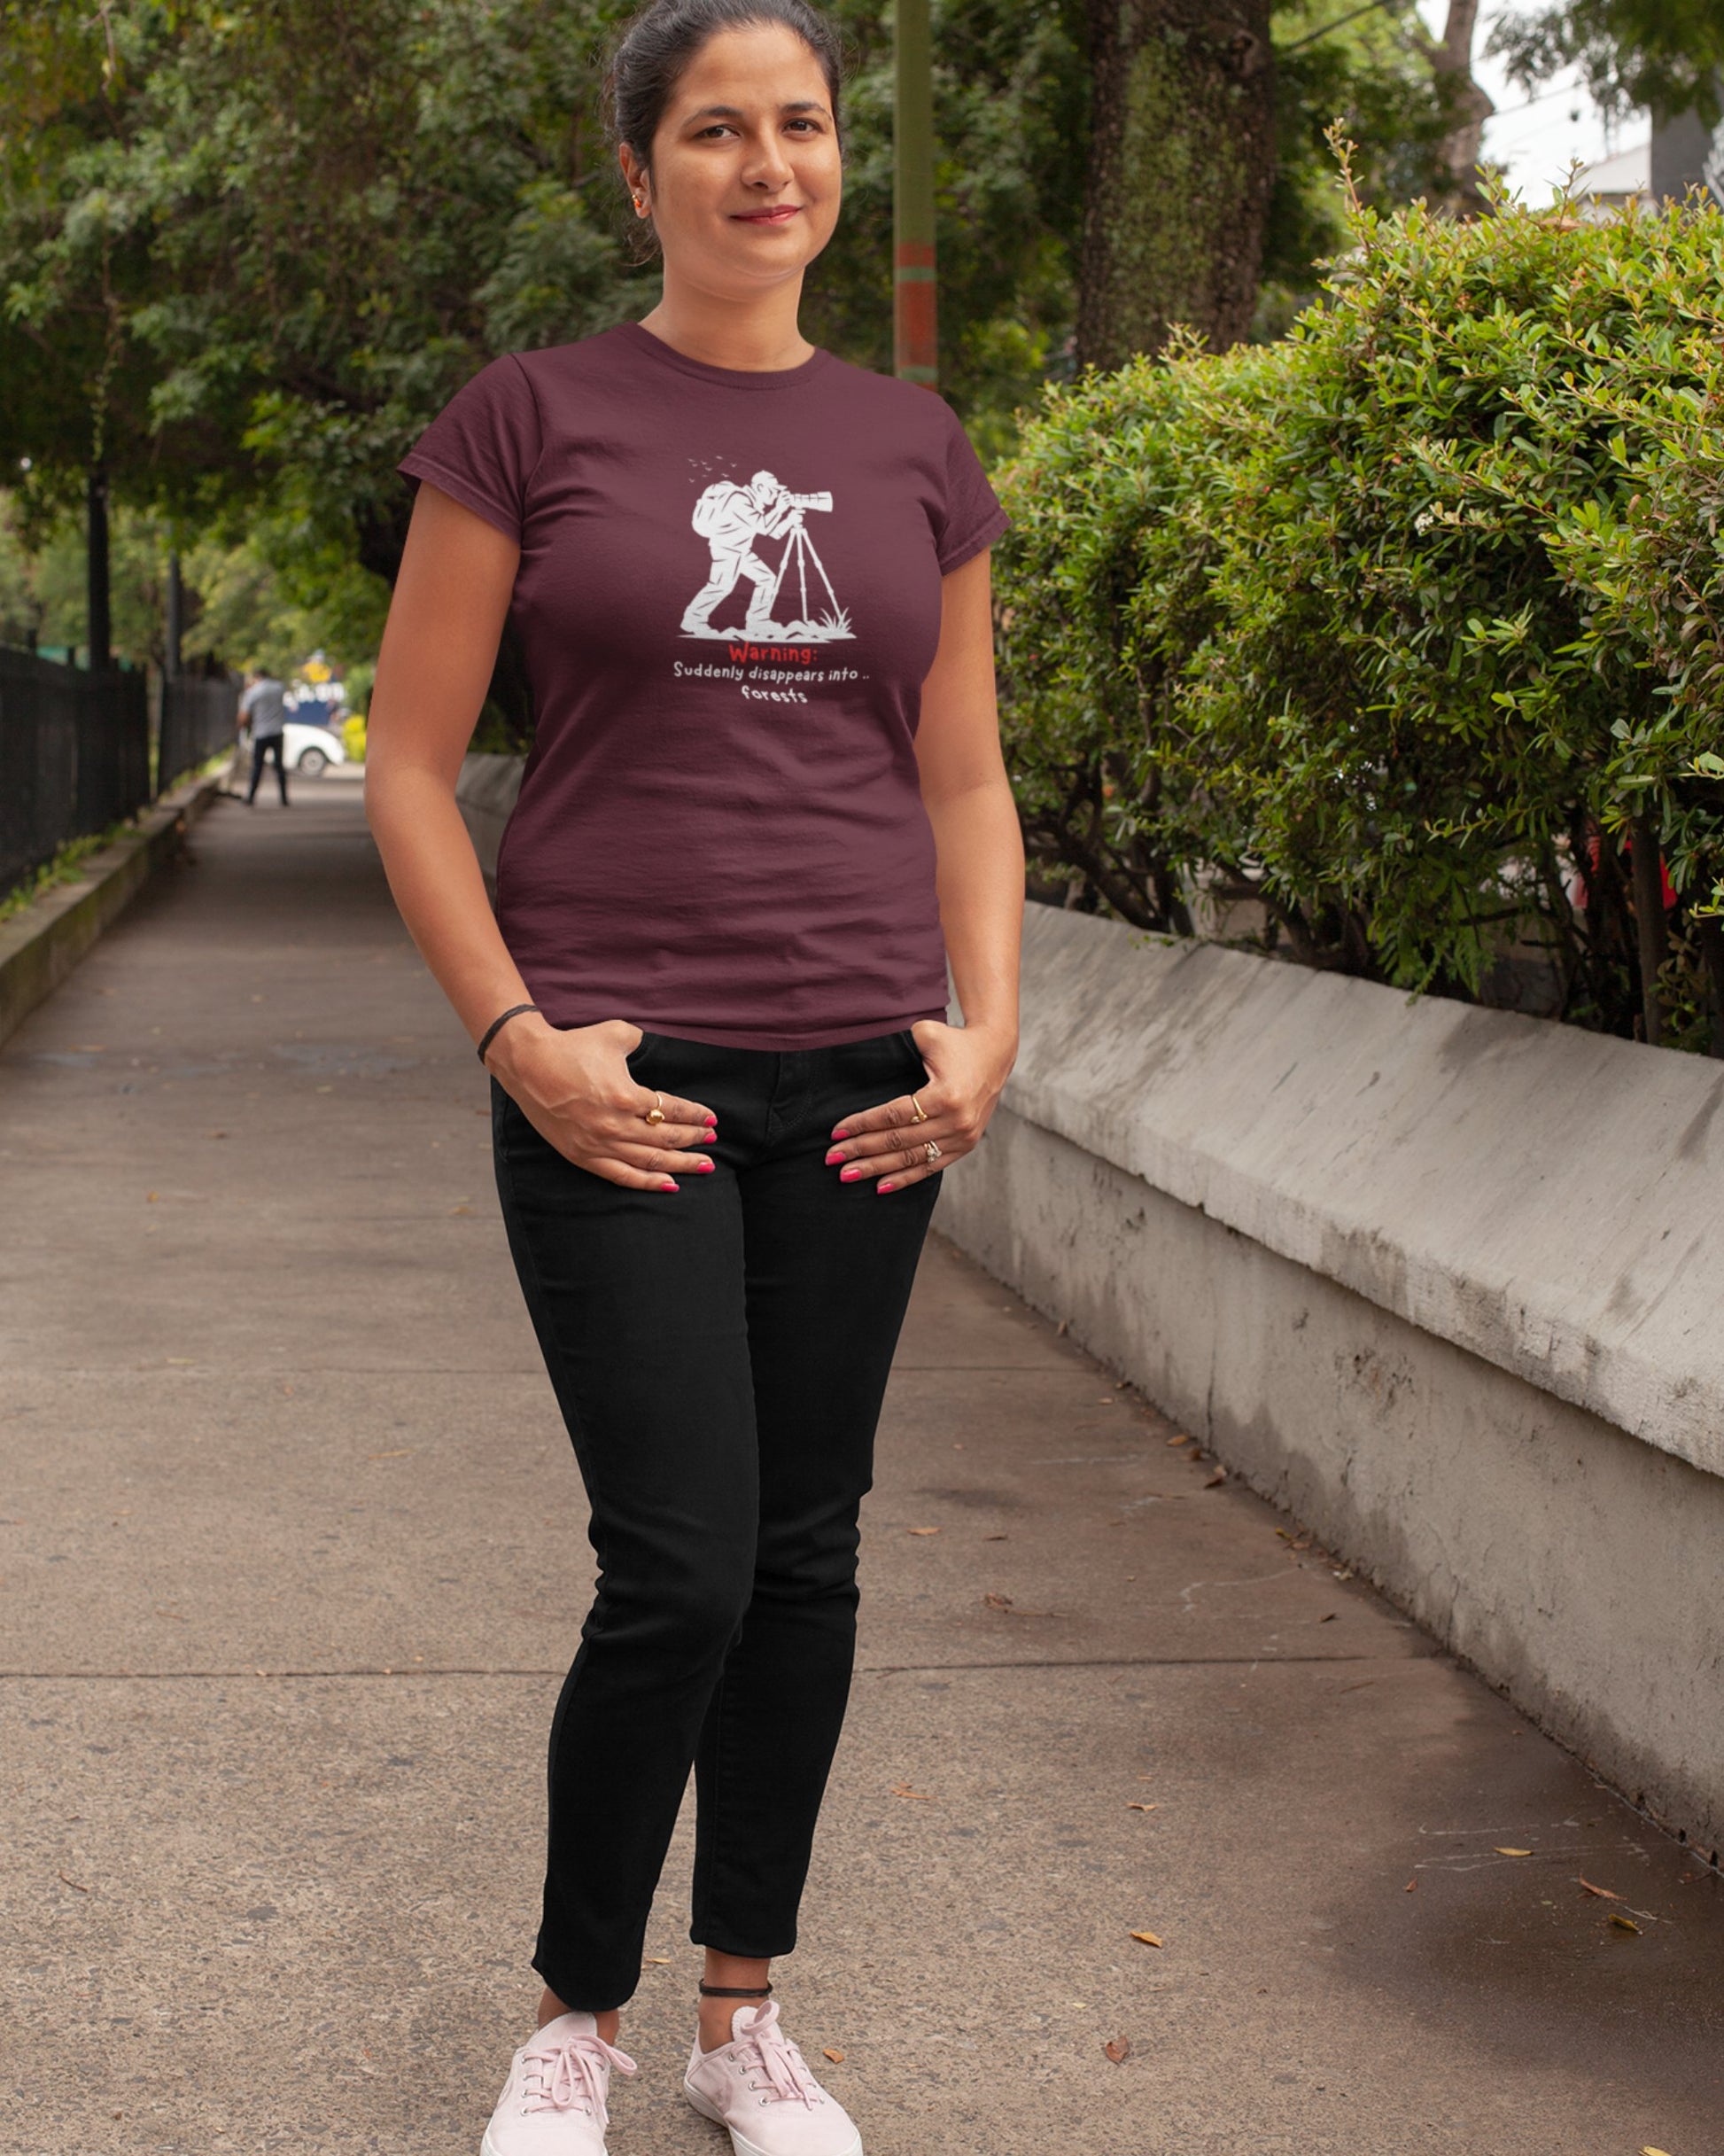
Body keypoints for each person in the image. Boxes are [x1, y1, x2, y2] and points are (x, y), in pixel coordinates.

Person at [363, 3, 1021, 2150]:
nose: (770, 164)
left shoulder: (916, 445)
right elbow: (407, 764)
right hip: (618, 1074)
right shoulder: (527, 418)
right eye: (718, 129)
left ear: (839, 157)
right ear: (639, 174)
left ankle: (747, 2017)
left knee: (807, 1549)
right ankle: (578, 2011)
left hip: (865, 1078)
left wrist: (990, 1024)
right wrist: (515, 1037)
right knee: (682, 1563)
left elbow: (964, 776)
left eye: (803, 124)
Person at [237, 669, 290, 806]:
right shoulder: (279, 688)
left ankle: (251, 797)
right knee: (279, 766)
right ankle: (284, 798)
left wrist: (243, 727)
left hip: (261, 732)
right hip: (277, 731)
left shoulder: (253, 691)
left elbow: (244, 716)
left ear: (256, 677)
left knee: (257, 766)